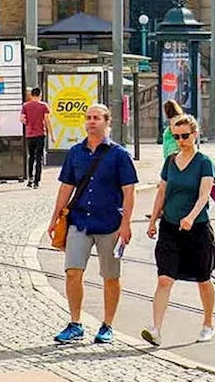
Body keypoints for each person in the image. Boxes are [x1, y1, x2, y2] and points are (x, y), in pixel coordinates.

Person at [47, 103, 138, 345]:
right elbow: (66, 187)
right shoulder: (76, 152)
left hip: (110, 223)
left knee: (110, 276)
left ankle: (107, 325)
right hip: (80, 221)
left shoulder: (120, 155)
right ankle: (75, 323)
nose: (91, 122)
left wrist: (126, 223)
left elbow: (129, 191)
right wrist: (55, 218)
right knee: (72, 272)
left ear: (108, 122)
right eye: (88, 118)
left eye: (97, 118)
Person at [143, 114, 215, 346]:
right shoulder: (170, 162)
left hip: (196, 229)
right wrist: (152, 220)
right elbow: (162, 192)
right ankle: (155, 329)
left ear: (195, 135)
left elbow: (204, 194)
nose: (181, 140)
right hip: (170, 228)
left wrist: (191, 217)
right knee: (164, 279)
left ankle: (208, 323)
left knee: (203, 278)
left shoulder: (204, 162)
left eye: (185, 136)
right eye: (176, 136)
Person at [21, 87, 52, 188]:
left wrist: (28, 124)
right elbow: (47, 121)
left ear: (31, 95)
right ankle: (36, 182)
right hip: (40, 134)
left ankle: (30, 178)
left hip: (30, 135)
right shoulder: (44, 106)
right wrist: (52, 135)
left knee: (31, 157)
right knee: (39, 158)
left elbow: (22, 119)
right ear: (40, 95)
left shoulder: (25, 106)